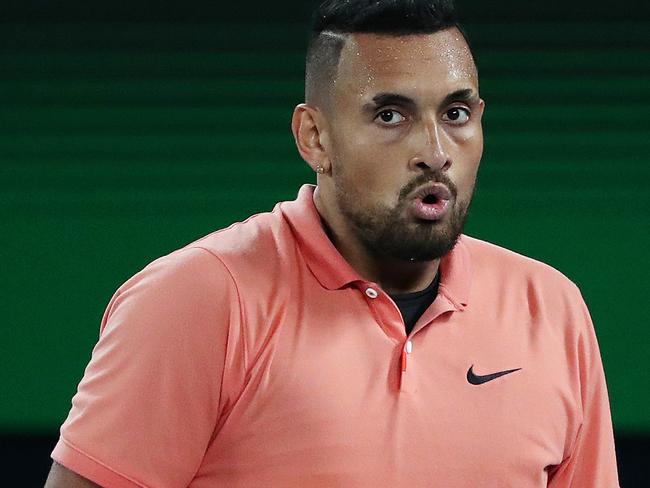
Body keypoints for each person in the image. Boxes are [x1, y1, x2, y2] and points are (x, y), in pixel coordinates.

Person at [45, 0, 620, 486]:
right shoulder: (198, 299)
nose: (435, 149)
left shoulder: (553, 308)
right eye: (391, 114)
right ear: (313, 137)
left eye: (456, 112)